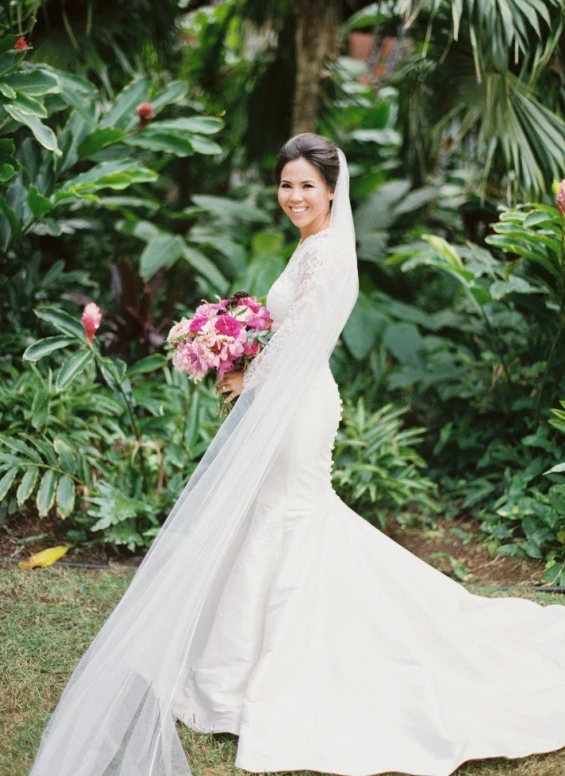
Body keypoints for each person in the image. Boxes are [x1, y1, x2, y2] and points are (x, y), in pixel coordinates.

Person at [29, 134, 565, 776]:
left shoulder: (330, 256)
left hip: (300, 405)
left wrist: (243, 377)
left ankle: (283, 678)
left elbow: (306, 339)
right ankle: (232, 674)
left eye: (307, 185)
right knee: (277, 520)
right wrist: (234, 347)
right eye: (286, 184)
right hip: (288, 394)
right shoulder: (314, 246)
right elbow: (284, 331)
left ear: (332, 191)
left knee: (292, 519)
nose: (294, 196)